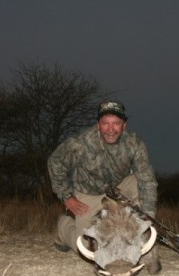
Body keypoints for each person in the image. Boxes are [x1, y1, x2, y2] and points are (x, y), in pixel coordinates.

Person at [48, 99, 158, 253]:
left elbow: (147, 180)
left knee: (138, 180)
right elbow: (55, 162)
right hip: (89, 193)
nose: (110, 129)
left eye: (116, 123)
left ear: (124, 125)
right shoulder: (80, 143)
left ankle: (135, 229)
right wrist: (66, 197)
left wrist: (148, 215)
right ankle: (63, 226)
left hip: (119, 187)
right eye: (105, 123)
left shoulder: (135, 143)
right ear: (98, 124)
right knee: (87, 249)